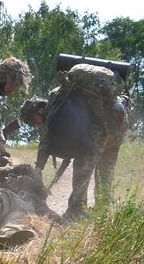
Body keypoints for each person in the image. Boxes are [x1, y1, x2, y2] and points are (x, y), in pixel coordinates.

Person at [34, 63, 129, 221]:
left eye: (34, 120)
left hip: (100, 128)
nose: (37, 124)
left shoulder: (56, 98)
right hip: (117, 126)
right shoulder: (73, 92)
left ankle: (77, 210)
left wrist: (38, 168)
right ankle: (102, 211)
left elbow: (46, 139)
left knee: (83, 165)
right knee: (105, 170)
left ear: (39, 109)